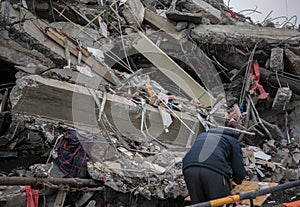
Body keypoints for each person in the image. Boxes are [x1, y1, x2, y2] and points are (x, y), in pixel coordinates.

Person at [182, 127, 246, 205]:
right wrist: (237, 181)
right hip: (213, 171)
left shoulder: (202, 135)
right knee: (220, 203)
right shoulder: (233, 141)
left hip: (189, 168)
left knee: (198, 204)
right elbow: (238, 169)